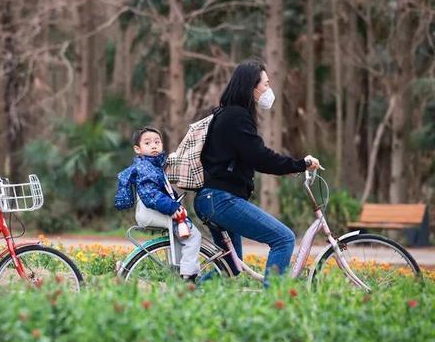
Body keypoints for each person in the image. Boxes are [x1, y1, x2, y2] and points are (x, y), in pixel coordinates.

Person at [193, 58, 320, 285]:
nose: (269, 90)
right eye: (266, 84)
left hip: (211, 198)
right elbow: (259, 157)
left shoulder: (227, 114)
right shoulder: (236, 117)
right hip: (221, 200)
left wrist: (291, 166)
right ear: (251, 86)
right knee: (283, 238)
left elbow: (252, 156)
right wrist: (299, 164)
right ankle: (272, 307)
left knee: (231, 267)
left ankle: (190, 294)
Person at [116, 127, 201, 281]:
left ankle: (179, 271)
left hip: (150, 212)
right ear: (138, 149)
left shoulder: (152, 166)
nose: (154, 146)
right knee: (194, 235)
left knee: (180, 237)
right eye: (148, 143)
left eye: (157, 142)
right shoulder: (145, 168)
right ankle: (188, 276)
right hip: (151, 212)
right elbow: (151, 195)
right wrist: (173, 207)